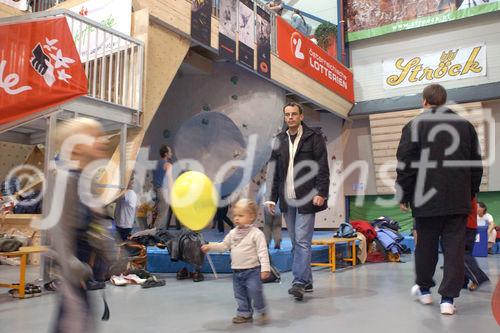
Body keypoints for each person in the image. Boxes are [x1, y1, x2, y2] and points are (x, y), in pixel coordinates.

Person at [396, 84, 483, 315]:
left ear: (425, 101)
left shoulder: (414, 126)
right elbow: (476, 165)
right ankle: (448, 300)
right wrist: (471, 192)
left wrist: (403, 193)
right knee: (454, 249)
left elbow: (405, 163)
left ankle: (424, 291)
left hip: (426, 199)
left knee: (425, 246)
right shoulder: (465, 127)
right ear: (444, 101)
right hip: (458, 198)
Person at [265, 101, 330, 301]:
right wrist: (271, 198)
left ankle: (299, 282)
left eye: (294, 114)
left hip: (308, 197)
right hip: (287, 199)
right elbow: (274, 172)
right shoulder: (279, 140)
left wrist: (322, 192)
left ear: (301, 116)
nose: (290, 117)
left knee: (302, 241)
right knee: (295, 242)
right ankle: (307, 280)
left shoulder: (314, 137)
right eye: (287, 114)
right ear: (285, 117)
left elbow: (322, 167)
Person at [51, 118, 110, 332]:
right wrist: (74, 268)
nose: (102, 141)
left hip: (83, 276)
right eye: (94, 137)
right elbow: (59, 232)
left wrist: (113, 255)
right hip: (73, 277)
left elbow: (97, 229)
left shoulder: (86, 183)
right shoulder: (64, 180)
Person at [201, 199, 270, 325]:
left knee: (255, 291)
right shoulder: (233, 233)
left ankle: (261, 309)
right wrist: (210, 246)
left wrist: (265, 268)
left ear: (251, 217)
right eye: (235, 215)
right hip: (237, 271)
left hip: (252, 271)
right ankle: (245, 314)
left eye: (241, 215)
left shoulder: (257, 234)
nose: (237, 218)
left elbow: (262, 252)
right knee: (240, 295)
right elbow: (224, 246)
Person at [464, 198, 489, 291]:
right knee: (463, 254)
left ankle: (478, 277)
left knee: (460, 254)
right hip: (469, 226)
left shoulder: (464, 190)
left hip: (465, 226)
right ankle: (463, 282)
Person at [152, 145, 174, 229]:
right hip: (164, 191)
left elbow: (154, 179)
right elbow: (169, 179)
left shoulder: (156, 164)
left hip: (157, 191)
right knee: (162, 215)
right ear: (166, 154)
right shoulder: (168, 165)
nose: (171, 154)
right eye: (170, 152)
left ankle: (154, 232)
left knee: (158, 214)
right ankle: (154, 234)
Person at [114, 176, 138, 241]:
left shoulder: (131, 194)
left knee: (121, 244)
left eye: (130, 180)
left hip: (125, 226)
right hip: (118, 223)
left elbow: (122, 196)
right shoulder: (122, 192)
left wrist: (121, 185)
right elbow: (114, 199)